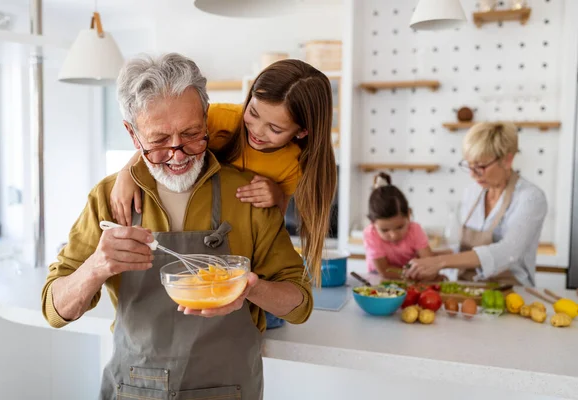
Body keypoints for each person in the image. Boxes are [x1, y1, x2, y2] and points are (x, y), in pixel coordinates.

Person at [41, 53, 312, 400]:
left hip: (230, 389)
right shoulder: (108, 197)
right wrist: (95, 267)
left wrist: (249, 289)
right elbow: (54, 308)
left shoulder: (249, 196)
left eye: (192, 134)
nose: (178, 154)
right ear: (132, 134)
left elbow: (300, 303)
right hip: (134, 388)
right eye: (158, 141)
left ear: (207, 121)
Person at [109, 59, 338, 287]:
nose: (257, 131)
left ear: (302, 132)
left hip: (246, 262)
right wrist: (128, 172)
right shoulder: (221, 118)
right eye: (253, 113)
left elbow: (273, 231)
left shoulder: (293, 165)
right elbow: (165, 140)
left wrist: (277, 196)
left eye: (275, 128)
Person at [405, 122, 547, 286]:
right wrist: (428, 259)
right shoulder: (472, 192)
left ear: (507, 160)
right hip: (468, 287)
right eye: (469, 165)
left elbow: (508, 251)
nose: (473, 174)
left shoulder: (530, 198)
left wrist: (440, 262)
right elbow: (464, 251)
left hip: (511, 290)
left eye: (480, 166)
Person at [363, 173, 435, 279]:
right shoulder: (370, 234)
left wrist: (429, 272)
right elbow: (385, 270)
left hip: (410, 279)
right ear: (372, 223)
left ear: (409, 215)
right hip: (378, 278)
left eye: (400, 227)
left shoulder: (415, 230)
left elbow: (429, 263)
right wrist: (419, 274)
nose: (394, 235)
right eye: (385, 230)